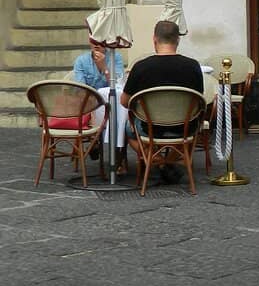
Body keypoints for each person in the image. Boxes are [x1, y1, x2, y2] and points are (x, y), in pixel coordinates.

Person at [121, 20, 204, 183]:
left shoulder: (141, 67)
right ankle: (170, 163)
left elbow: (125, 102)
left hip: (149, 127)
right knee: (192, 127)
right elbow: (198, 101)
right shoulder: (193, 66)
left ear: (154, 39)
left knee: (128, 130)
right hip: (184, 128)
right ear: (178, 40)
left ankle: (157, 162)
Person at [73, 36, 126, 162]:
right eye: (93, 41)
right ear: (89, 42)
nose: (97, 45)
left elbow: (118, 84)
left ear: (106, 43)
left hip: (111, 103)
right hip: (90, 104)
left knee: (120, 115)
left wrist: (104, 67)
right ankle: (97, 141)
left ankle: (116, 154)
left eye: (100, 42)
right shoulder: (81, 61)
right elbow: (81, 89)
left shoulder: (115, 57)